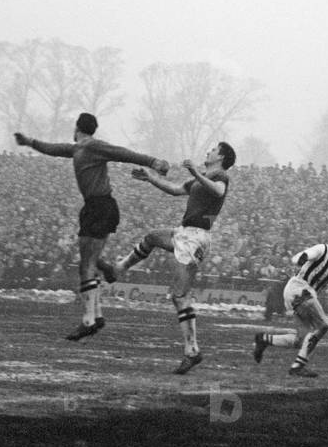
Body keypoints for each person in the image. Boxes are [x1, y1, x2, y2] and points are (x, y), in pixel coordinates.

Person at [14, 113, 169, 341]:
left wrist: (153, 162)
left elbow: (122, 153)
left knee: (85, 264)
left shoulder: (92, 146)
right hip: (96, 207)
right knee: (89, 260)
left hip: (100, 207)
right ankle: (97, 311)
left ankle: (89, 320)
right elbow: (54, 148)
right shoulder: (78, 148)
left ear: (77, 127)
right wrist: (30, 142)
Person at [100, 142, 236, 375]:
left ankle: (192, 351)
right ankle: (118, 270)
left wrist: (194, 172)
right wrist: (150, 177)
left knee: (179, 295)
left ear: (221, 157)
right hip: (184, 233)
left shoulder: (220, 175)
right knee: (152, 237)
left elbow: (218, 191)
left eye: (213, 149)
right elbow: (174, 189)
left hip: (196, 237)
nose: (208, 151)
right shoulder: (200, 178)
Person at [252, 228, 328, 378]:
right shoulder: (323, 249)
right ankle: (298, 366)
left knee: (300, 340)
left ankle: (264, 339)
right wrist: (301, 258)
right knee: (323, 325)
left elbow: (325, 279)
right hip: (299, 287)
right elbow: (306, 254)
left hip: (304, 293)